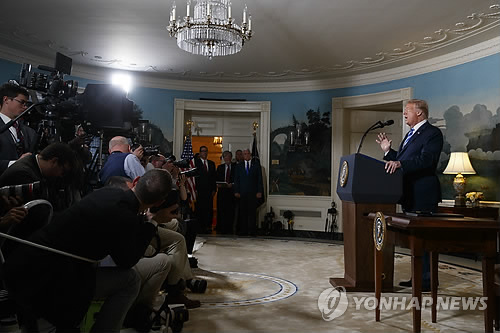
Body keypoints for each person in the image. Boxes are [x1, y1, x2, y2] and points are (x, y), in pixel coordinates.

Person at [3, 169, 172, 332]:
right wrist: (152, 223)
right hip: (53, 279)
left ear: (135, 181)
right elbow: (127, 261)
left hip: (26, 262)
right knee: (130, 280)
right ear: (159, 202)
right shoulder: (126, 218)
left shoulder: (107, 192)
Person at [376, 98, 443, 290]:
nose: (404, 114)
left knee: (424, 240)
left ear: (420, 112)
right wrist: (389, 152)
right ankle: (417, 279)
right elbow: (403, 160)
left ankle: (428, 280)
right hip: (409, 193)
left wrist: (400, 163)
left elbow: (426, 160)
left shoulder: (432, 133)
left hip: (423, 193)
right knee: (414, 241)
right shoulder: (410, 135)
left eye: (407, 110)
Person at [0, 83, 38, 175]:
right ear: (6, 100)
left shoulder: (29, 132)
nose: (25, 107)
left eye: (27, 104)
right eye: (22, 102)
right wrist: (15, 164)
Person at [233, 149, 263, 236]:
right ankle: (243, 231)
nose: (246, 155)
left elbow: (259, 179)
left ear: (250, 155)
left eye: (247, 154)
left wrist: (259, 191)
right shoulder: (239, 166)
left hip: (253, 193)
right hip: (242, 193)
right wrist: (236, 191)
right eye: (244, 154)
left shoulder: (256, 165)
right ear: (242, 155)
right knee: (243, 213)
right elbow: (236, 180)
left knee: (252, 213)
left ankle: (252, 231)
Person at [194, 146, 216, 233]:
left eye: (206, 151)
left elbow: (213, 178)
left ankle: (208, 226)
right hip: (199, 191)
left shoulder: (211, 163)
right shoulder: (196, 163)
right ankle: (200, 227)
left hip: (209, 191)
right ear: (200, 153)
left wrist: (214, 189)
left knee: (208, 209)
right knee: (200, 209)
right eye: (203, 151)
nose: (205, 153)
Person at [216, 151, 236, 234]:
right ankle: (221, 228)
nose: (227, 158)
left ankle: (230, 229)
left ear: (231, 158)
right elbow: (216, 179)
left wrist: (233, 184)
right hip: (222, 193)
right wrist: (218, 184)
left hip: (232, 193)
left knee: (231, 212)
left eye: (228, 157)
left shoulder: (236, 167)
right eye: (225, 157)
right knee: (221, 211)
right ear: (223, 158)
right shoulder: (220, 167)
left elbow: (238, 179)